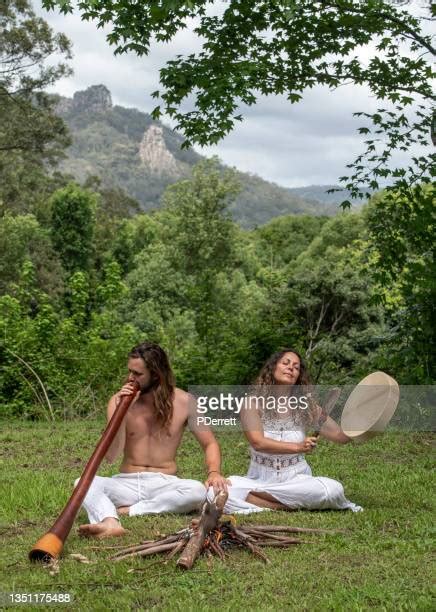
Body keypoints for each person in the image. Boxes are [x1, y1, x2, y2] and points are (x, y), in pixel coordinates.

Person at [77, 341, 227, 538]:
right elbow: (112, 455)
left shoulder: (185, 401)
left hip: (164, 482)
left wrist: (214, 472)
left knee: (197, 490)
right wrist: (121, 413)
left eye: (137, 374)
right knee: (82, 482)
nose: (131, 378)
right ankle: (110, 522)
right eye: (130, 371)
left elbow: (210, 443)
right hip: (126, 482)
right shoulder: (117, 400)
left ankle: (131, 510)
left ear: (156, 374)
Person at [215, 349, 362, 514]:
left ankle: (258, 502)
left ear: (299, 376)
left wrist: (363, 420)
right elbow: (258, 442)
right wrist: (299, 447)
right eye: (285, 363)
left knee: (333, 490)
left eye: (296, 367)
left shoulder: (306, 405)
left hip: (296, 480)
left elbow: (341, 437)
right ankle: (285, 505)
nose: (291, 368)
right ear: (273, 368)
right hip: (260, 481)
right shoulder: (251, 402)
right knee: (218, 491)